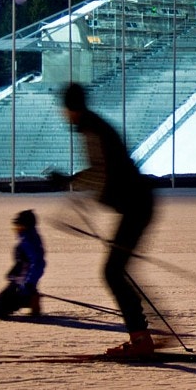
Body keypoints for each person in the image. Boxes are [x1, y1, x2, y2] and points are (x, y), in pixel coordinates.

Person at [60, 82, 156, 357]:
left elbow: (103, 172)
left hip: (137, 205)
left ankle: (141, 339)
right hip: (136, 204)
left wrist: (71, 181)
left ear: (71, 109)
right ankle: (143, 335)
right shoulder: (94, 127)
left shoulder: (92, 130)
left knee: (113, 272)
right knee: (117, 271)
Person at [0, 209, 46, 319]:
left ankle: (29, 298)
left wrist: (29, 284)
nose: (16, 230)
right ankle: (31, 298)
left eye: (19, 227)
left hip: (20, 287)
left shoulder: (29, 240)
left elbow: (38, 263)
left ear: (26, 226)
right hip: (20, 283)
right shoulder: (28, 237)